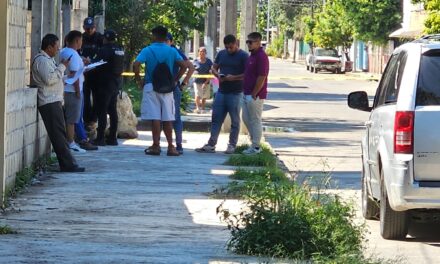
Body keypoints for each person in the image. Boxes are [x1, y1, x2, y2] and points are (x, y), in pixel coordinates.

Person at [31, 34, 85, 172]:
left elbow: (55, 77)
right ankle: (68, 164)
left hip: (54, 100)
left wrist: (68, 76)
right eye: (56, 46)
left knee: (60, 133)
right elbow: (49, 79)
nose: (58, 49)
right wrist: (62, 66)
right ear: (49, 47)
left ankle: (68, 163)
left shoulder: (48, 60)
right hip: (48, 102)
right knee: (59, 135)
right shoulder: (42, 60)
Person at [133, 26, 187, 156]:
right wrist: (175, 80)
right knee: (168, 118)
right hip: (167, 88)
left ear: (154, 36)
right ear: (165, 37)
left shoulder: (147, 50)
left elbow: (136, 64)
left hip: (151, 86)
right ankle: (171, 147)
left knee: (155, 118)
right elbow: (184, 66)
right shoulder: (171, 51)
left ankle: (156, 145)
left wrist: (139, 80)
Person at [196, 35, 249, 154]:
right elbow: (213, 68)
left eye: (231, 47)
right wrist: (217, 75)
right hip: (222, 91)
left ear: (236, 43)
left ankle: (232, 145)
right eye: (227, 47)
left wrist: (234, 77)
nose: (229, 50)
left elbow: (248, 73)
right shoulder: (221, 54)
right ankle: (211, 144)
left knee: (235, 120)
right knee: (216, 118)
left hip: (236, 92)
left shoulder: (244, 56)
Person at [92, 29, 125, 146]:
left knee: (102, 111)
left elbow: (96, 64)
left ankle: (100, 138)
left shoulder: (104, 50)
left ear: (105, 38)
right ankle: (112, 138)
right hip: (116, 83)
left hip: (104, 84)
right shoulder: (119, 49)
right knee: (112, 111)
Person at [166, 32, 195, 154]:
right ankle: (168, 144)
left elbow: (190, 67)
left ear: (171, 42)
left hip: (173, 88)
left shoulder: (175, 52)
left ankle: (178, 144)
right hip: (162, 87)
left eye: (167, 41)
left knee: (176, 116)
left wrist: (182, 83)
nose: (165, 43)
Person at [242, 32, 269, 155]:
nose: (249, 44)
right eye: (247, 42)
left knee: (255, 119)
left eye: (251, 42)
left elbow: (262, 76)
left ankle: (256, 146)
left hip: (255, 95)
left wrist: (254, 93)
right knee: (246, 118)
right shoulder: (251, 55)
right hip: (246, 93)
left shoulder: (261, 56)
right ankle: (254, 142)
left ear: (258, 42)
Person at [60, 30, 87, 153]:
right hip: (72, 91)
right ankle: (70, 142)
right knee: (72, 119)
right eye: (81, 40)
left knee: (71, 118)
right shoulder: (73, 54)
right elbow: (75, 75)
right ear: (77, 41)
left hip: (67, 89)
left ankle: (70, 142)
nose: (81, 43)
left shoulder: (64, 51)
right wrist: (77, 91)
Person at [80, 17, 103, 132]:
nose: (89, 30)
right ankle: (87, 119)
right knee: (85, 97)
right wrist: (82, 59)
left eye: (91, 28)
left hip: (97, 73)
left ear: (95, 27)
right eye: (87, 28)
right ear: (84, 28)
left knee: (97, 97)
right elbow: (76, 51)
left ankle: (93, 120)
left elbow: (103, 53)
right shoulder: (81, 38)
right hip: (84, 72)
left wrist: (93, 60)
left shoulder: (100, 38)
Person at [193, 47, 213, 113]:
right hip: (197, 81)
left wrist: (206, 82)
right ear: (198, 52)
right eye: (201, 51)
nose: (202, 52)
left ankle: (203, 108)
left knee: (204, 96)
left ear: (206, 53)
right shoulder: (195, 61)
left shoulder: (209, 61)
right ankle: (197, 108)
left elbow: (211, 72)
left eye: (204, 51)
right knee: (197, 94)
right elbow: (192, 69)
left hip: (206, 81)